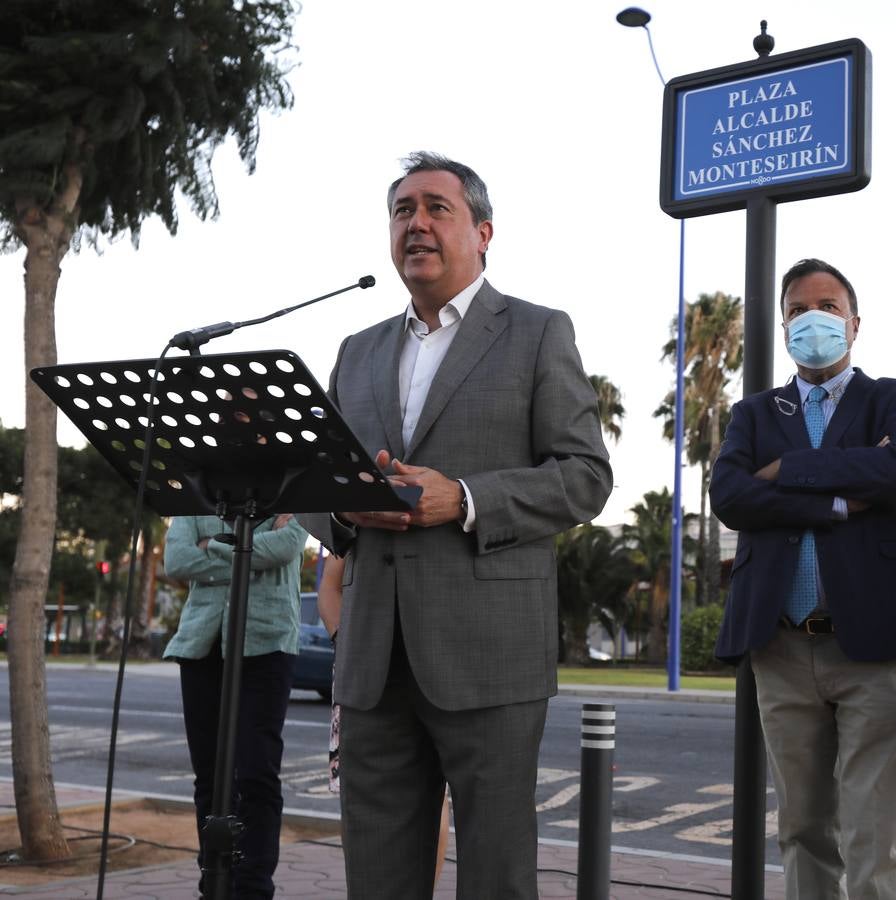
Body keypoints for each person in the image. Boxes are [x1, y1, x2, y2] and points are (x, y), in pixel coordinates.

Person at [299, 152, 612, 899]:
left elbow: (585, 477)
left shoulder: (537, 334)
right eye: (403, 210)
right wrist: (344, 505)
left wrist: (464, 498)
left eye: (438, 208)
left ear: (483, 231)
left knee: (497, 874)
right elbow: (313, 488)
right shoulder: (357, 350)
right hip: (373, 660)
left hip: (490, 656)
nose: (417, 223)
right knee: (376, 875)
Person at [710, 258, 896, 899]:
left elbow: (895, 473)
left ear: (854, 323)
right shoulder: (755, 414)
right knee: (802, 828)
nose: (811, 318)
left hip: (871, 640)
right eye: (796, 309)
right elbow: (732, 496)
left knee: (875, 834)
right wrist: (839, 497)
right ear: (783, 324)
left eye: (826, 306)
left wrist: (783, 470)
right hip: (782, 644)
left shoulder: (892, 399)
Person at [162, 512, 307, 899]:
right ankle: (213, 882)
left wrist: (211, 547)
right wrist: (247, 557)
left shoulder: (291, 489)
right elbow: (175, 560)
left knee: (257, 774)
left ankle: (253, 889)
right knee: (209, 778)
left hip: (267, 642)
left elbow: (285, 548)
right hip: (201, 644)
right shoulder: (200, 490)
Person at [314, 553, 451, 886]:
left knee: (435, 797)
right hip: (362, 674)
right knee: (359, 799)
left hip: (433, 669)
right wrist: (345, 643)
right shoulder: (352, 525)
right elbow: (329, 589)